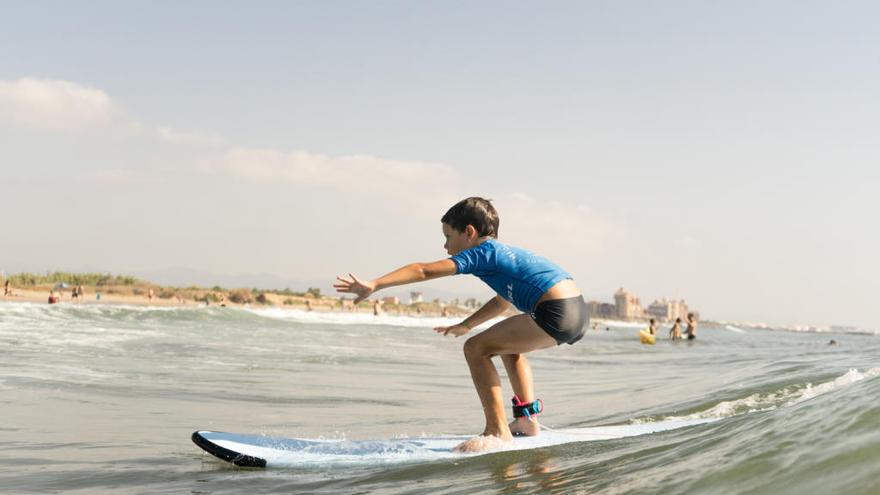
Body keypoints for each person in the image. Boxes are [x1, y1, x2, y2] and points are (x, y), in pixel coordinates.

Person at [335, 197, 588, 453]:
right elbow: (502, 302)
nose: (446, 246)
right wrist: (466, 324)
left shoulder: (483, 253)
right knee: (508, 348)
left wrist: (375, 284)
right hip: (575, 311)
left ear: (469, 232)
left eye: (448, 236)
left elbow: (423, 270)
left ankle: (497, 431)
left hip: (555, 310)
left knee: (475, 349)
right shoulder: (505, 256)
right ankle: (526, 420)